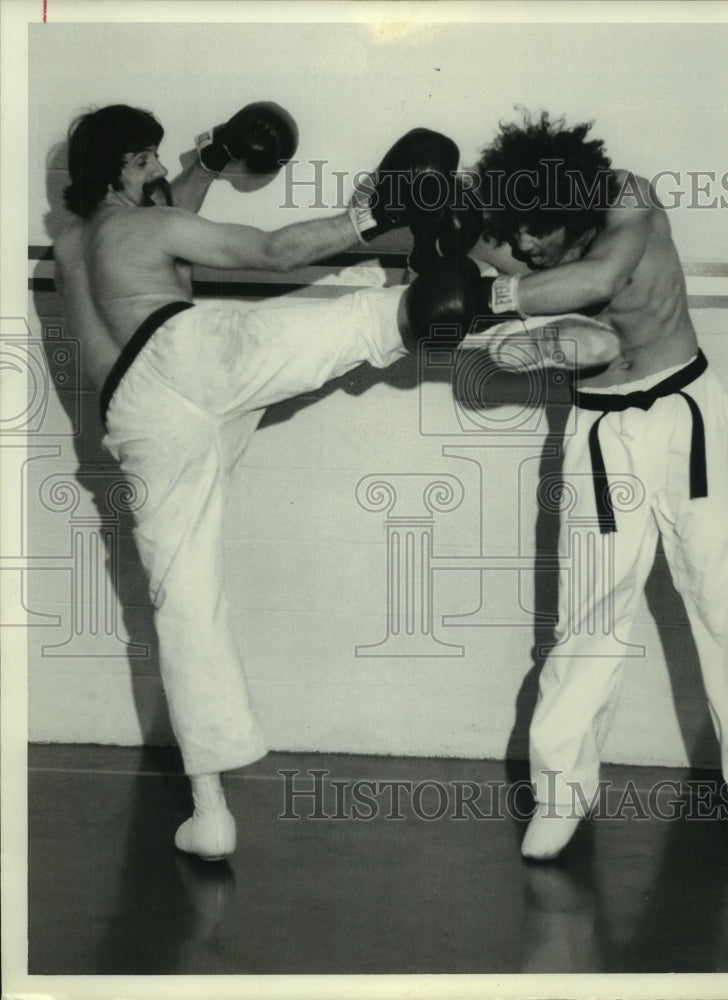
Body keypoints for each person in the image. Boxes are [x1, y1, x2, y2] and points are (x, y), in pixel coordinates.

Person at [53, 102, 482, 861]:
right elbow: (276, 252)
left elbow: (155, 221)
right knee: (331, 330)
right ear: (116, 171)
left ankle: (210, 812)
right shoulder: (140, 228)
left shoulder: (74, 243)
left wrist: (210, 161)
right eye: (145, 159)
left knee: (183, 602)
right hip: (183, 354)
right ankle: (413, 307)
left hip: (137, 418)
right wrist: (381, 211)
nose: (161, 169)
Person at [470, 112, 728, 869]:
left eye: (538, 232)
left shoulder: (629, 199)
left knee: (725, 597)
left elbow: (597, 280)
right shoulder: (524, 229)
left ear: (575, 212)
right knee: (588, 614)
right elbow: (473, 264)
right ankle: (562, 793)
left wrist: (496, 297)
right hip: (599, 431)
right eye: (517, 231)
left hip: (683, 415)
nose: (525, 246)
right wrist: (428, 241)